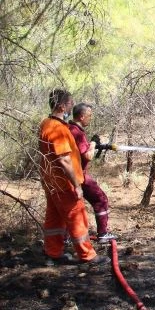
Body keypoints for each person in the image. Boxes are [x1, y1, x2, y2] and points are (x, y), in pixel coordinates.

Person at [38, 89, 108, 265]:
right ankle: (87, 255)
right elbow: (64, 160)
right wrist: (76, 184)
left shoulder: (46, 123)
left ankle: (52, 253)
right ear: (62, 106)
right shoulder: (57, 129)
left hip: (52, 182)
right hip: (64, 183)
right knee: (77, 216)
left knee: (54, 218)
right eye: (70, 104)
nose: (72, 107)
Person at [68, 103, 116, 242]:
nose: (90, 118)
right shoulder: (77, 132)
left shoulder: (69, 128)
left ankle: (65, 237)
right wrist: (94, 143)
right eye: (89, 116)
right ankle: (102, 233)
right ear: (82, 116)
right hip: (78, 175)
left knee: (70, 207)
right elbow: (87, 156)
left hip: (72, 174)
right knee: (100, 198)